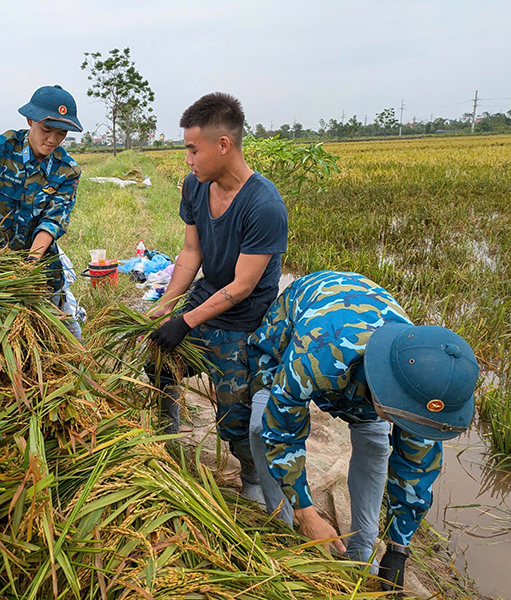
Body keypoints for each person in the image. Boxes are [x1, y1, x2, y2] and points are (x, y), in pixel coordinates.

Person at [246, 270, 478, 592]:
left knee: (376, 444)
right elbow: (281, 432)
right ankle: (282, 527)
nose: (406, 426)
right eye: (401, 415)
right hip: (296, 327)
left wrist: (398, 550)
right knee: (259, 429)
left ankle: (361, 548)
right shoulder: (318, 356)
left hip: (375, 368)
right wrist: (306, 513)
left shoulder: (422, 384)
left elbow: (416, 466)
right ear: (387, 392)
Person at [148, 92, 288, 496]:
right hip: (204, 299)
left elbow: (242, 286)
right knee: (159, 360)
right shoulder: (194, 187)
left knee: (235, 414)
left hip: (242, 321)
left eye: (193, 150)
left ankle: (252, 479)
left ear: (222, 145)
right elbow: (192, 253)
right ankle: (167, 441)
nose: (188, 160)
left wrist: (186, 321)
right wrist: (167, 307)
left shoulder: (264, 205)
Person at [0, 84, 85, 336]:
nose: (53, 139)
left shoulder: (68, 170)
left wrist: (30, 265)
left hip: (39, 264)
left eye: (62, 133)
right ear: (30, 119)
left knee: (66, 336)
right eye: (47, 129)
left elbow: (52, 222)